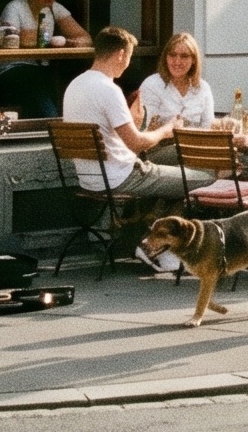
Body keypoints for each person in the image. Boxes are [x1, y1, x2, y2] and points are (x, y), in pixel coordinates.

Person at [59, 26, 190, 271]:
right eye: (129, 58)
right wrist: (168, 129)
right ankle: (155, 247)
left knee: (175, 170)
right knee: (199, 181)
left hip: (90, 178)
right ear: (121, 54)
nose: (128, 64)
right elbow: (137, 143)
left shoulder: (75, 85)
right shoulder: (109, 90)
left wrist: (138, 123)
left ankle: (148, 241)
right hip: (120, 177)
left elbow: (119, 139)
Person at [135, 33, 215, 156]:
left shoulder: (203, 88)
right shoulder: (153, 84)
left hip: (195, 147)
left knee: (224, 151)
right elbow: (143, 130)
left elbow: (208, 128)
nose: (177, 61)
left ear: (193, 60)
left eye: (184, 56)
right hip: (157, 150)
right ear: (165, 57)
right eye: (172, 55)